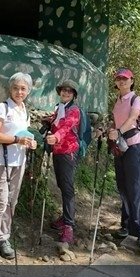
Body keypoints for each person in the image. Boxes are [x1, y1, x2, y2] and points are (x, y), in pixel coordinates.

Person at [0, 72, 37, 263]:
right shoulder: (3, 108)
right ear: (10, 89)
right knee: (0, 202)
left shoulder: (24, 110)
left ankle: (3, 239)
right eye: (15, 88)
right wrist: (17, 139)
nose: (19, 92)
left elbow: (24, 135)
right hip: (0, 161)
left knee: (11, 202)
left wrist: (30, 142)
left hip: (18, 162)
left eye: (23, 88)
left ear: (28, 91)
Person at [107, 67, 140, 254]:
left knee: (137, 188)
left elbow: (133, 117)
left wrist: (118, 131)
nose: (122, 81)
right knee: (123, 186)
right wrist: (109, 130)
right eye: (119, 79)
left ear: (132, 81)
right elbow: (115, 122)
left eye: (125, 79)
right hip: (121, 147)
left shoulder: (136, 99)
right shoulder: (117, 101)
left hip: (135, 146)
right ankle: (126, 226)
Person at [44, 79, 81, 245]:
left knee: (67, 188)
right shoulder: (59, 109)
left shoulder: (74, 110)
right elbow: (57, 123)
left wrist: (56, 136)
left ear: (73, 95)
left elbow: (67, 127)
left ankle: (68, 226)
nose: (66, 93)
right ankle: (65, 217)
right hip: (58, 152)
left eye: (69, 91)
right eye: (64, 90)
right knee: (61, 185)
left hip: (67, 152)